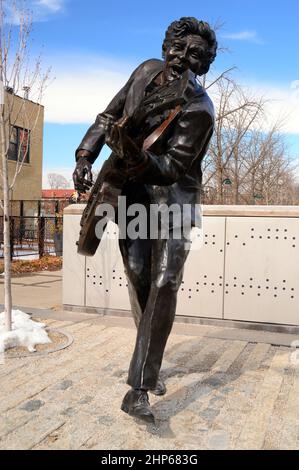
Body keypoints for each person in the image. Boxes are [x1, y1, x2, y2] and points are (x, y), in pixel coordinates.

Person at [73, 17, 217, 424]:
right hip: (133, 196)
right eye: (179, 48)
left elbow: (172, 166)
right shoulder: (145, 71)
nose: (183, 58)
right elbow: (108, 116)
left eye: (195, 55)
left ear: (203, 63)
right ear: (167, 45)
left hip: (175, 199)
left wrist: (135, 157)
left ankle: (138, 387)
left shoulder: (199, 108)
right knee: (139, 279)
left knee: (164, 283)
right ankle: (148, 359)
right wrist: (86, 154)